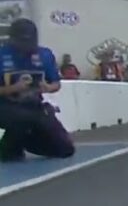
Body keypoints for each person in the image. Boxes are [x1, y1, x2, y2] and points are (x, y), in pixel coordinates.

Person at [0, 19, 75, 162]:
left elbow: (56, 84)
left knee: (65, 149)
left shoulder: (45, 55)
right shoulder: (1, 55)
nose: (25, 46)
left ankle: (25, 142)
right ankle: (8, 149)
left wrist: (48, 87)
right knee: (23, 119)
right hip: (5, 106)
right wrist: (13, 88)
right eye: (21, 41)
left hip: (34, 106)